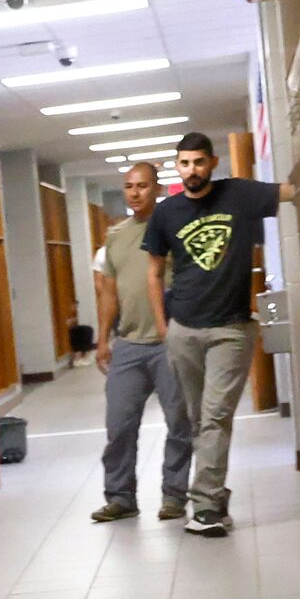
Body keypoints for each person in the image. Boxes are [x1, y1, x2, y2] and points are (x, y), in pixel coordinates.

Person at [143, 131, 296, 538]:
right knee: (196, 421)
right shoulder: (166, 212)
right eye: (183, 164)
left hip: (230, 328)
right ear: (177, 167)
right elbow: (154, 271)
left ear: (212, 162)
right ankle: (216, 495)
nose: (191, 170)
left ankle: (205, 506)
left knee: (215, 417)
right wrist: (163, 325)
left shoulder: (240, 195)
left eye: (198, 162)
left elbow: (292, 191)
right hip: (184, 329)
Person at [91, 162, 195, 523]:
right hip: (129, 345)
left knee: (179, 423)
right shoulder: (116, 236)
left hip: (170, 342)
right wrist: (103, 340)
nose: (135, 193)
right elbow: (109, 293)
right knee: (119, 426)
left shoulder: (174, 227)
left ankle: (174, 496)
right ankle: (120, 497)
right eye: (128, 186)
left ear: (158, 188)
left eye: (142, 186)